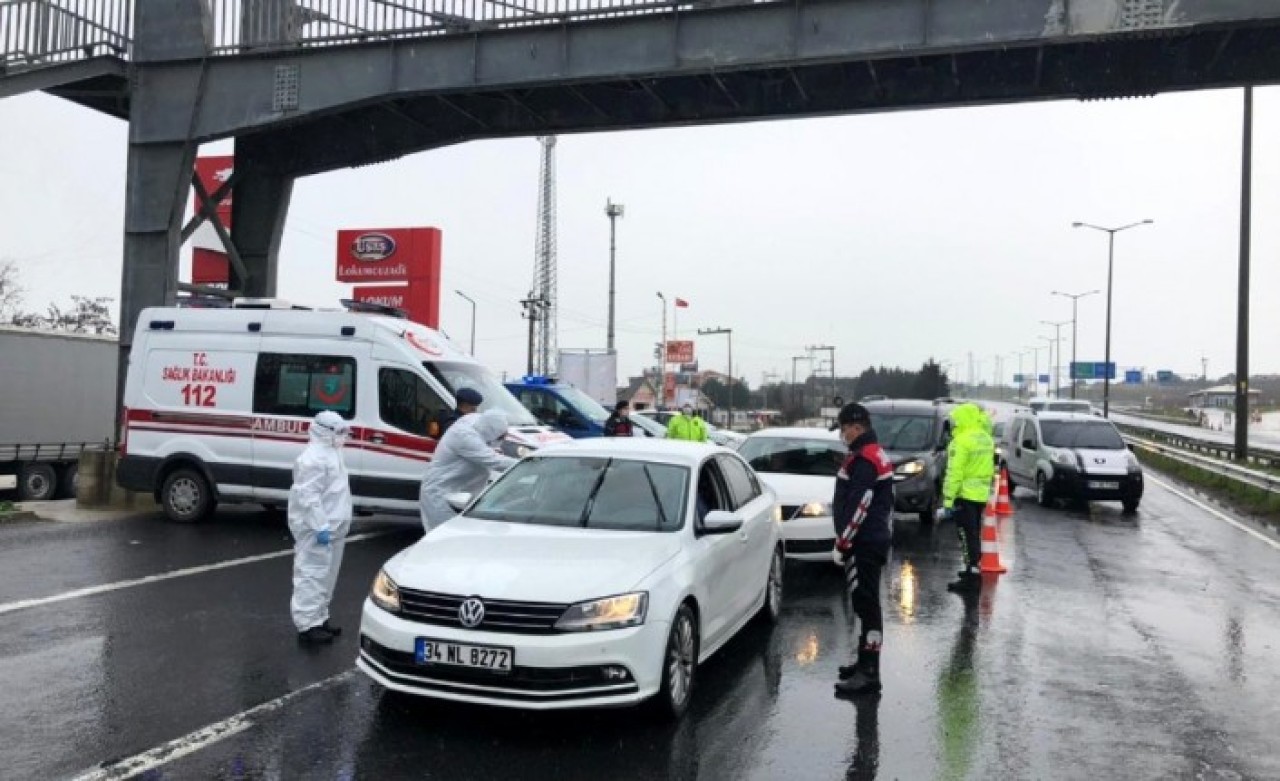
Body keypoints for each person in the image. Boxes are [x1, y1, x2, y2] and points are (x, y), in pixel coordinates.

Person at [830, 402, 895, 696]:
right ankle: (864, 661)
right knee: (863, 602)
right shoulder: (868, 454)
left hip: (864, 543)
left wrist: (844, 542)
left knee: (867, 604)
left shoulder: (866, 459)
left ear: (857, 427)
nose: (843, 435)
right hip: (868, 539)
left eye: (844, 429)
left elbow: (861, 504)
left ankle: (870, 673)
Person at [288, 411, 354, 645]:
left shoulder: (333, 453)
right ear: (325, 432)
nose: (343, 437)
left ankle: (320, 618)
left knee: (328, 575)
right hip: (316, 528)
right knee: (311, 574)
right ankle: (307, 625)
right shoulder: (313, 458)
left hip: (333, 527)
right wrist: (320, 525)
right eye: (339, 432)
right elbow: (308, 496)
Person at [419, 409, 518, 532]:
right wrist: (526, 464)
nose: (502, 439)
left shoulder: (478, 422)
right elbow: (495, 461)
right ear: (490, 432)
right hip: (441, 494)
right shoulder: (464, 437)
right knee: (445, 539)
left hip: (464, 495)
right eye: (501, 437)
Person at [935, 403, 995, 594]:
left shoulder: (960, 441)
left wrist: (947, 500)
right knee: (973, 532)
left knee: (965, 535)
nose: (953, 425)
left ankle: (972, 576)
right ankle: (973, 568)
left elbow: (955, 472)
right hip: (980, 495)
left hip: (965, 495)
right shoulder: (986, 438)